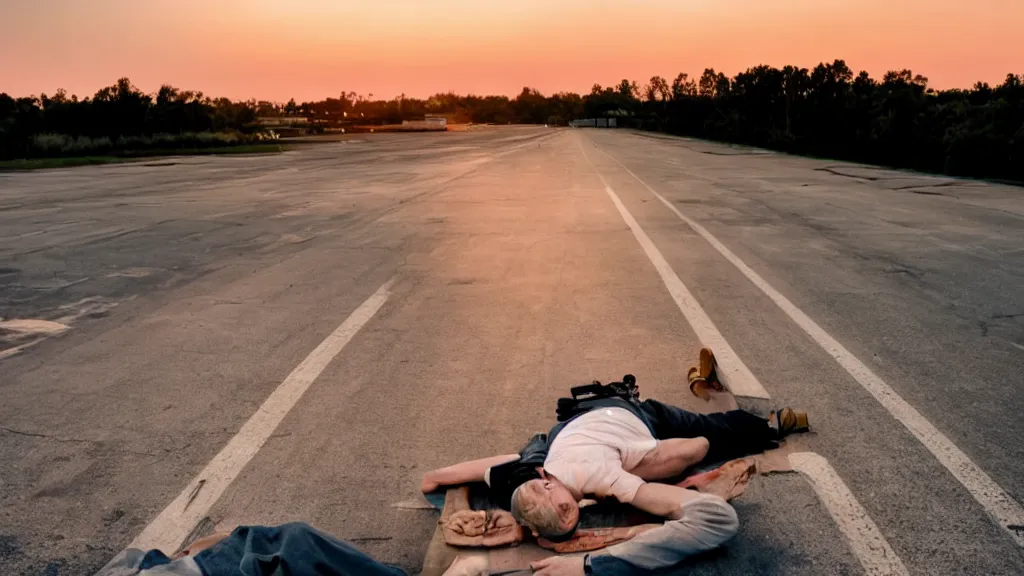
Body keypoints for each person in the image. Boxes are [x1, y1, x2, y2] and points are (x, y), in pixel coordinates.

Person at [421, 370, 808, 574]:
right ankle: (769, 426)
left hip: (631, 415)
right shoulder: (520, 472)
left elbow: (716, 514)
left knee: (711, 436)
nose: (557, 502)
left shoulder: (598, 476)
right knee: (532, 449)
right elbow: (434, 479)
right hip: (577, 421)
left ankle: (769, 427)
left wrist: (590, 566)